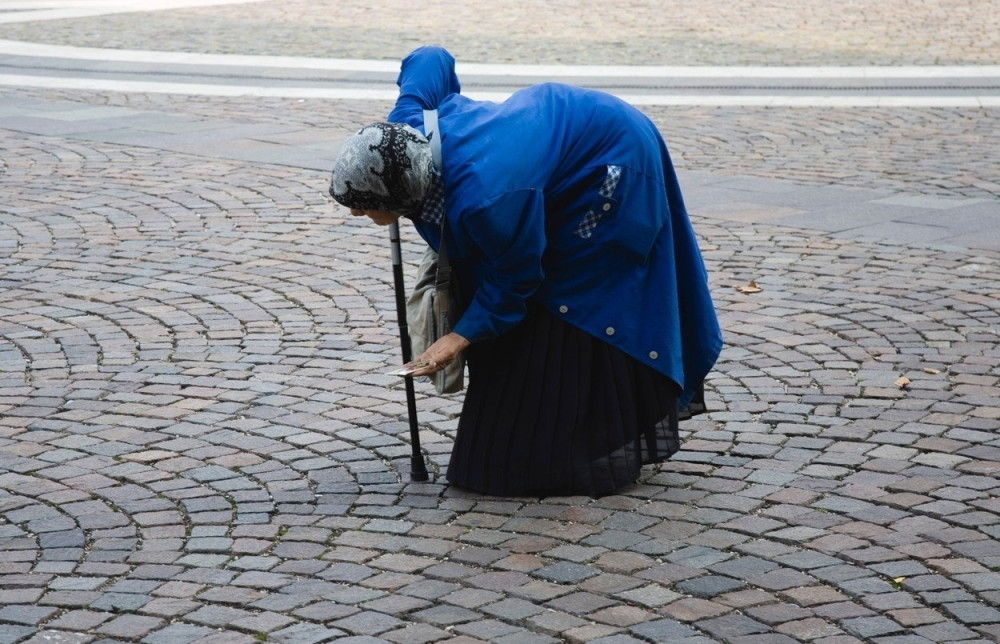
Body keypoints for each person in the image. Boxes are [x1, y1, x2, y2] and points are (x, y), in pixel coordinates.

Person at [329, 46, 722, 498]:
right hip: (547, 155)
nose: (357, 213)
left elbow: (517, 279)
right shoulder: (404, 131)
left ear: (404, 198)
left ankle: (583, 444)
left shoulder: (488, 199)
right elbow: (430, 58)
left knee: (567, 295)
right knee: (515, 277)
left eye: (363, 204)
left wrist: (457, 339)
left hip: (611, 166)